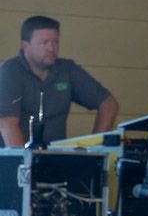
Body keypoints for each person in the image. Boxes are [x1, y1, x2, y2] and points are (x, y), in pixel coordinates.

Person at [0, 16, 119, 148]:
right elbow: (7, 124)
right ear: (25, 46)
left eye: (55, 42)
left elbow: (108, 104)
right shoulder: (9, 72)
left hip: (56, 158)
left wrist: (96, 147)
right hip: (14, 160)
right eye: (44, 43)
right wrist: (25, 164)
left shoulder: (67, 70)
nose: (51, 48)